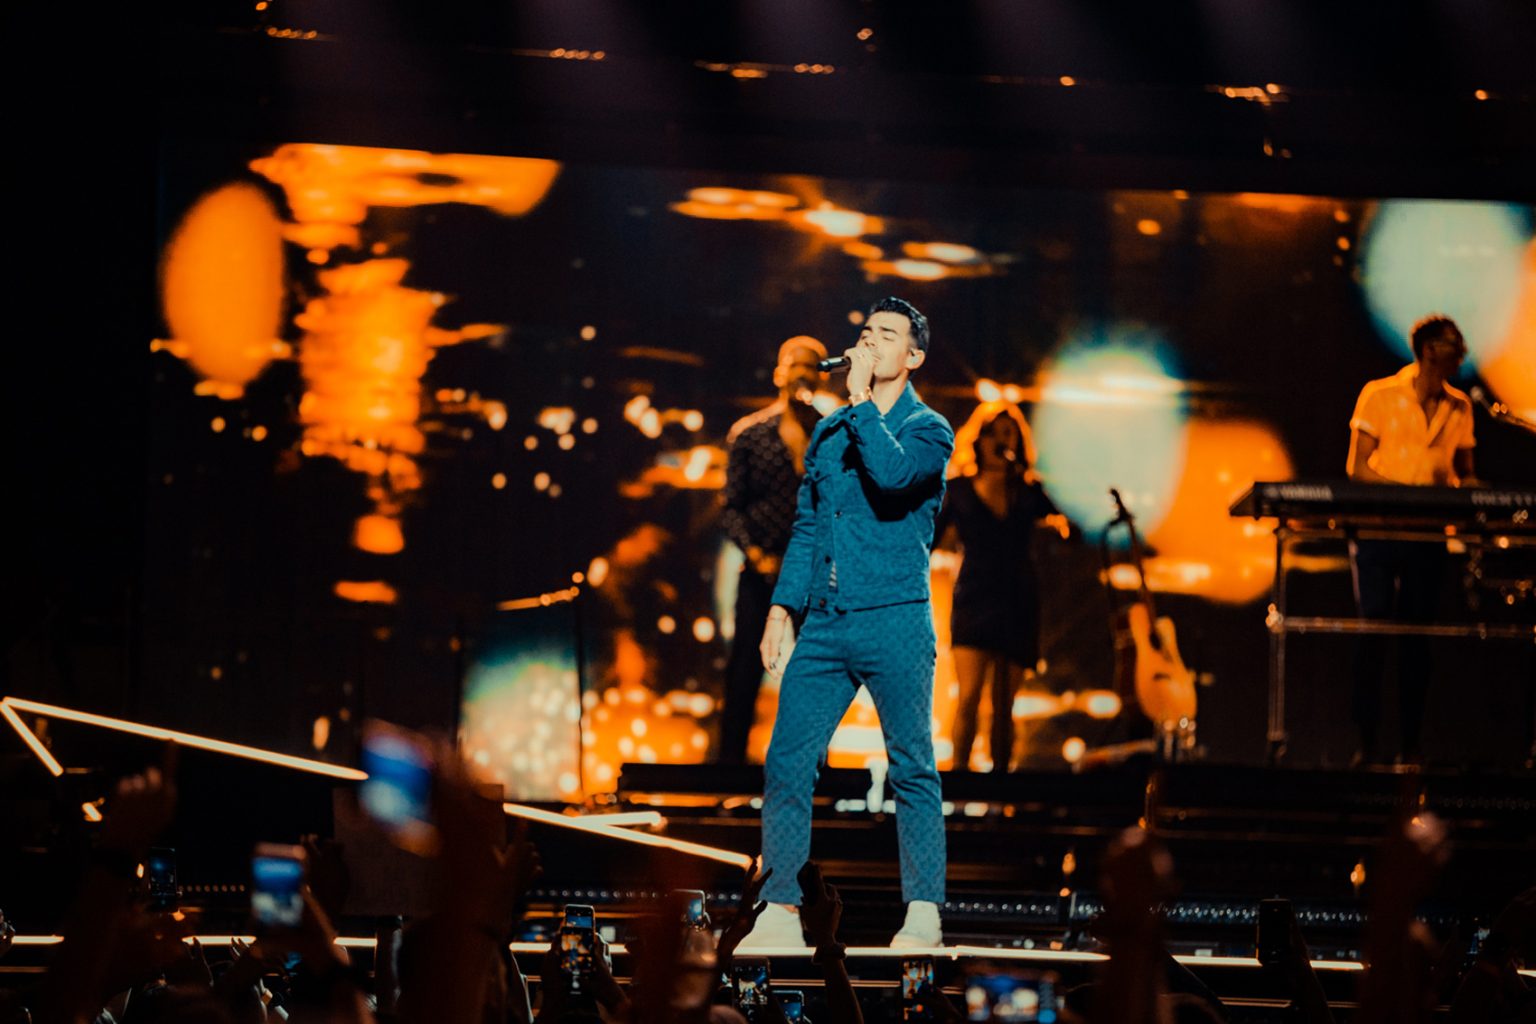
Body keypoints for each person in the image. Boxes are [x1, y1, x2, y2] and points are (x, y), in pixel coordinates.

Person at [741, 296, 955, 950]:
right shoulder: (830, 433)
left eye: (887, 335)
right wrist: (782, 608)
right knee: (787, 760)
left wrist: (860, 401)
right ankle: (780, 909)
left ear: (913, 356)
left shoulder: (928, 428)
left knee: (912, 766)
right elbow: (808, 525)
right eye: (866, 332)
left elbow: (892, 478)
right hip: (827, 625)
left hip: (895, 620)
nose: (870, 342)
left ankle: (923, 911)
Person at [1345, 314, 1476, 766]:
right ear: (1428, 349)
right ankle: (1366, 746)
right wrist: (1404, 493)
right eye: (1452, 343)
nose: (1462, 350)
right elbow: (1357, 467)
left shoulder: (1461, 406)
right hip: (1379, 532)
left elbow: (1465, 473)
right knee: (1374, 630)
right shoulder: (1379, 394)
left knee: (1417, 640)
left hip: (1428, 534)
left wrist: (1470, 494)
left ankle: (1411, 747)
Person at [717, 336, 831, 764]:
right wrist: (755, 553)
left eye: (812, 366)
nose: (803, 373)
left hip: (811, 574)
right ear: (780, 374)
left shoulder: (832, 434)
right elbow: (731, 508)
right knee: (745, 668)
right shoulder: (750, 435)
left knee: (816, 670)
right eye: (796, 365)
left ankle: (815, 767)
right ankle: (729, 766)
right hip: (762, 569)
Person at [936, 400, 1066, 772]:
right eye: (994, 432)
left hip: (1017, 598)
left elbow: (1066, 526)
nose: (1001, 440)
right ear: (979, 440)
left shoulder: (1028, 491)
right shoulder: (958, 489)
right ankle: (958, 784)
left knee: (1005, 705)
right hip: (974, 597)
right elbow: (929, 538)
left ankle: (1001, 790)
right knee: (968, 696)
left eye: (1009, 433)